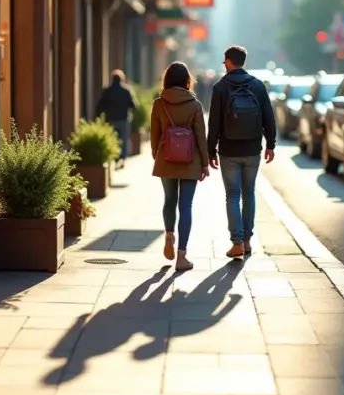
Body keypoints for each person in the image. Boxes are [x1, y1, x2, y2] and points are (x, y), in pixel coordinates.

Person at [207, 45, 276, 259]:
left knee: (232, 196)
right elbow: (268, 117)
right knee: (249, 194)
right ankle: (246, 241)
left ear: (228, 61)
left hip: (228, 150)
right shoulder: (257, 85)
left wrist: (210, 151)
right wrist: (271, 144)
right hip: (253, 149)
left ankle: (236, 242)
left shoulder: (220, 87)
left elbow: (214, 123)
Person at [150, 61, 210, 272]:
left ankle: (169, 235)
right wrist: (204, 163)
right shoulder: (195, 105)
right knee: (186, 206)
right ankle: (182, 256)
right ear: (187, 81)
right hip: (190, 160)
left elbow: (154, 134)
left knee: (169, 200)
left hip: (166, 158)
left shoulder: (159, 103)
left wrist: (156, 154)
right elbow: (201, 138)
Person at [95, 69, 136, 168]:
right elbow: (133, 105)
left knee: (111, 139)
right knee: (124, 140)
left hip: (110, 119)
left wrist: (99, 117)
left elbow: (99, 106)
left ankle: (112, 158)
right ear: (122, 79)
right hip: (123, 119)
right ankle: (122, 159)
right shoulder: (126, 91)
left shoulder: (107, 91)